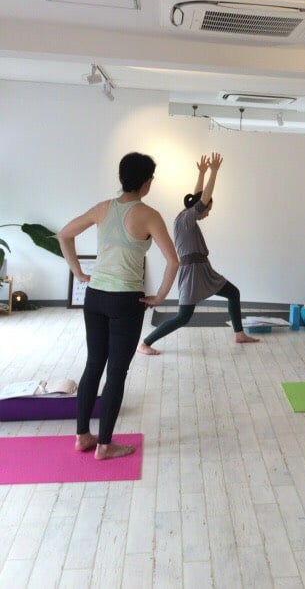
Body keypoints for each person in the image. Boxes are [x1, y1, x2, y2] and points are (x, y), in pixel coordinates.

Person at [58, 152, 179, 459]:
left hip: (95, 296)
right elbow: (173, 261)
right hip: (126, 300)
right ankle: (104, 445)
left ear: (122, 178)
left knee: (93, 364)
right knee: (116, 372)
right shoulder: (149, 215)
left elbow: (64, 234)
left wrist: (78, 273)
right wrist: (160, 297)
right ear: (147, 181)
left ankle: (82, 436)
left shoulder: (102, 208)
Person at [137, 153, 258, 353]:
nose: (207, 213)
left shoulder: (186, 216)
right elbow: (202, 198)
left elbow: (198, 197)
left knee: (233, 293)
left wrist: (201, 173)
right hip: (192, 273)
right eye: (208, 209)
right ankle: (145, 343)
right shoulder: (186, 219)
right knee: (183, 317)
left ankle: (239, 333)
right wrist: (214, 172)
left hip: (203, 269)